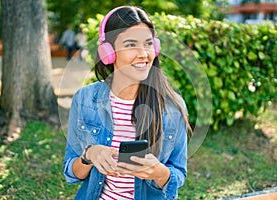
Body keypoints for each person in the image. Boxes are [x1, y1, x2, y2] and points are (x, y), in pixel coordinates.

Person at [63, 6, 191, 200]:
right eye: (131, 45)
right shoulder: (85, 99)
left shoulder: (172, 106)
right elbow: (71, 172)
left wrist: (158, 173)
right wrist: (89, 154)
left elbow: (178, 174)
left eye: (148, 44)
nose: (143, 54)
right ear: (109, 52)